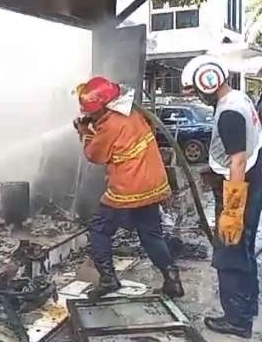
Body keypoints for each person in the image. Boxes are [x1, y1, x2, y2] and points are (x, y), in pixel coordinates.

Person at [73, 76, 184, 299]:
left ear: (103, 105)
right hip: (152, 183)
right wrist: (94, 125)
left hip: (129, 186)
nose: (91, 115)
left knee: (99, 228)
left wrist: (85, 133)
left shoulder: (110, 123)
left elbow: (96, 155)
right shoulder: (132, 112)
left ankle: (108, 280)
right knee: (151, 234)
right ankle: (172, 280)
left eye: (93, 112)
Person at [181, 55, 262, 338]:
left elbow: (238, 161)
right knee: (244, 251)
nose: (199, 97)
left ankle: (236, 321)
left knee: (230, 255)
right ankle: (248, 308)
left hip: (240, 190)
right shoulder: (239, 98)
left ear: (208, 80)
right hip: (253, 184)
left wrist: (232, 210)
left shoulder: (228, 111)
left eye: (197, 90)